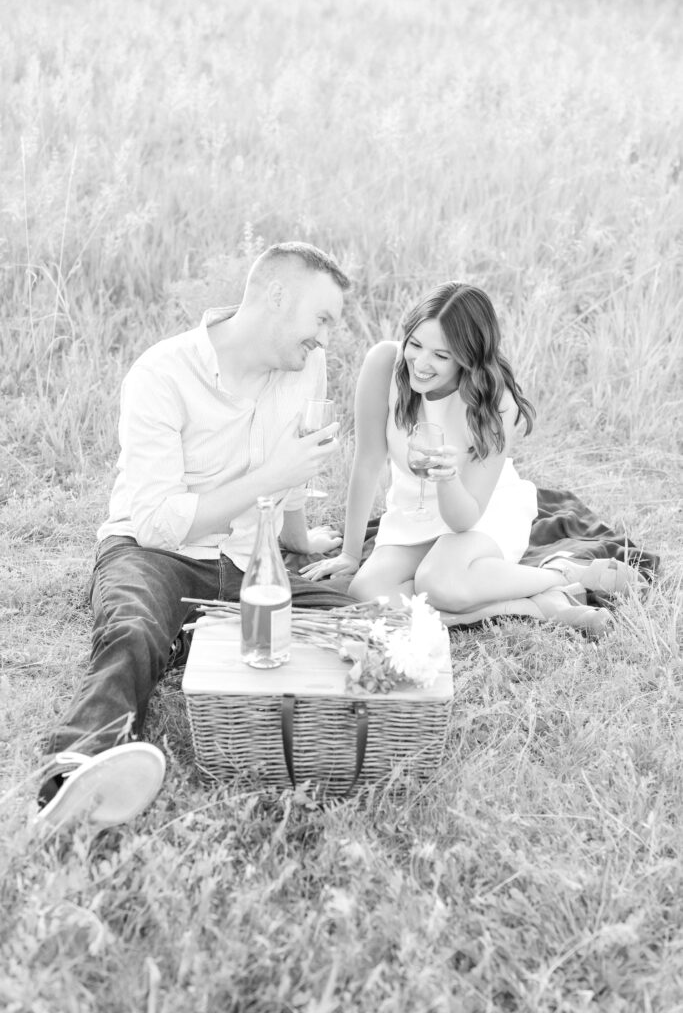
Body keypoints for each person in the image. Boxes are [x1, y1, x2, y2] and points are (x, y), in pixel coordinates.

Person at [37, 242, 355, 831]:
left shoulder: (305, 366)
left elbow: (295, 465)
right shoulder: (163, 372)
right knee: (132, 630)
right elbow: (157, 520)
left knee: (350, 620)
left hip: (248, 560)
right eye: (322, 320)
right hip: (156, 554)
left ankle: (195, 636)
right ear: (277, 296)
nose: (326, 340)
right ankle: (75, 771)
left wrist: (299, 537)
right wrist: (270, 476)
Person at [302, 281, 644, 630]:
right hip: (413, 511)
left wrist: (448, 478)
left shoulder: (495, 401)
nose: (420, 363)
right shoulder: (384, 364)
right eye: (415, 344)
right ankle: (536, 603)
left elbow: (464, 519)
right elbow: (368, 460)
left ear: (467, 358)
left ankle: (562, 575)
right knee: (368, 593)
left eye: (441, 355)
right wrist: (349, 552)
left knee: (439, 584)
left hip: (481, 510)